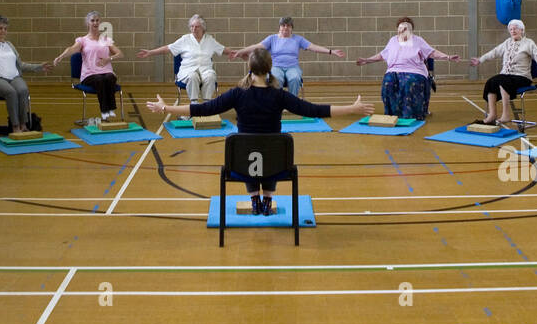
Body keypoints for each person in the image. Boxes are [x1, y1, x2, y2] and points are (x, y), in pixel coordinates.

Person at [147, 48, 372, 215]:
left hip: (241, 165)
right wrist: (352, 109)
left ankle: (254, 199)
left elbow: (202, 108)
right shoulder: (280, 95)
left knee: (249, 149)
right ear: (270, 68)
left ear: (249, 68)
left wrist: (166, 108)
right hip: (278, 166)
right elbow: (315, 110)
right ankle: (266, 200)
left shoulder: (237, 94)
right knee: (270, 151)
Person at [355, 17, 459, 120]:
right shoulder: (392, 40)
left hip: (414, 71)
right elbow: (382, 55)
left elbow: (431, 52)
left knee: (409, 82)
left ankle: (411, 115)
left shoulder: (418, 40)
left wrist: (448, 57)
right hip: (393, 71)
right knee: (388, 83)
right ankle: (393, 114)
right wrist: (366, 60)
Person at [469, 19, 537, 126]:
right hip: (506, 76)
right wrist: (480, 60)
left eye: (515, 28)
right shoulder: (507, 42)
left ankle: (506, 114)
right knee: (491, 82)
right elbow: (494, 52)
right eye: (510, 29)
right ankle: (492, 115)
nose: (513, 31)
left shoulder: (529, 43)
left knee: (502, 80)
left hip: (522, 77)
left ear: (522, 30)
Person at [230, 16, 344, 96]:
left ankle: (292, 103)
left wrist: (331, 51)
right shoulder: (272, 39)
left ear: (291, 28)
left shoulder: (298, 39)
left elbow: (313, 47)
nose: (285, 28)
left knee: (294, 78)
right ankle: (277, 102)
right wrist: (240, 52)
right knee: (276, 79)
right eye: (283, 25)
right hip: (276, 66)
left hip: (293, 67)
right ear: (279, 27)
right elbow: (256, 46)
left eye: (288, 26)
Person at [137, 14, 235, 101]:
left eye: (197, 27)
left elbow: (223, 49)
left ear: (203, 28)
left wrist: (237, 53)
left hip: (205, 70)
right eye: (192, 26)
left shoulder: (210, 40)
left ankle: (207, 104)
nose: (194, 29)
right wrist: (150, 52)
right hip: (188, 70)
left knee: (211, 77)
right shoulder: (185, 39)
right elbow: (168, 48)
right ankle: (194, 104)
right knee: (193, 77)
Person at [51, 11, 124, 120]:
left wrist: (109, 58)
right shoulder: (82, 40)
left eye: (97, 20)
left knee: (110, 77)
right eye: (92, 20)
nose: (95, 23)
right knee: (100, 80)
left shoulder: (105, 40)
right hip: (90, 74)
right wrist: (60, 56)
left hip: (106, 72)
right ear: (88, 23)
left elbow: (120, 54)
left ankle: (110, 109)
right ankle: (105, 111)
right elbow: (71, 49)